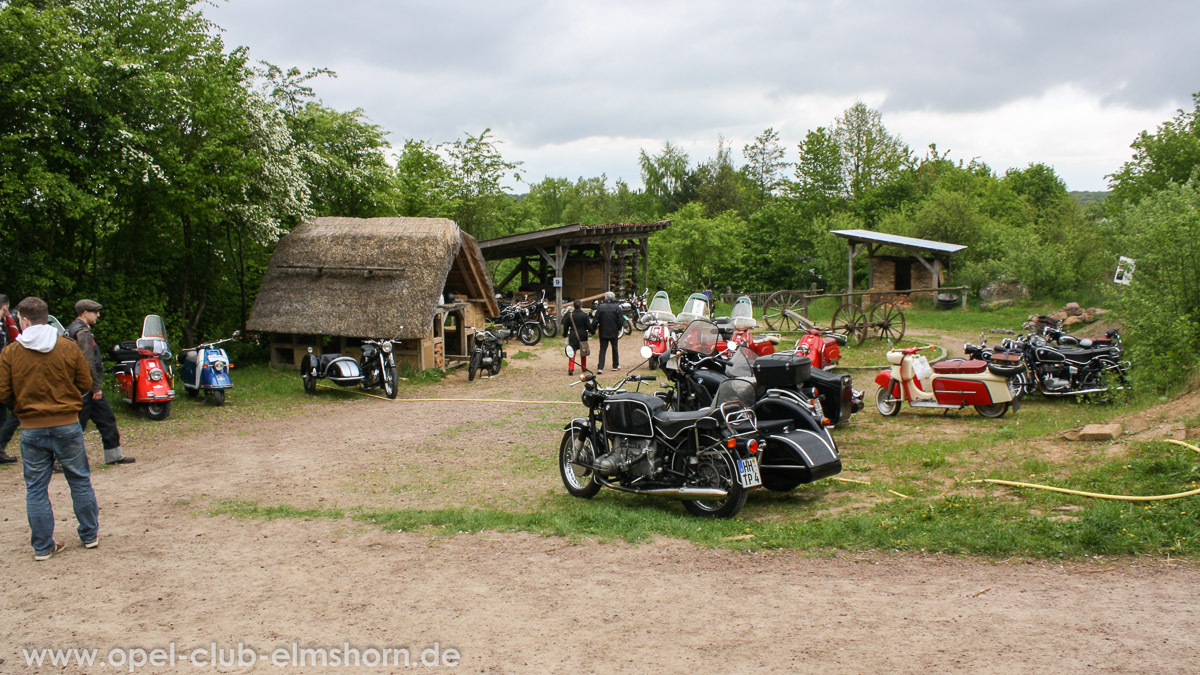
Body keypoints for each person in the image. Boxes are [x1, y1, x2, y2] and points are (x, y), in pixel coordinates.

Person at [0, 296, 98, 560]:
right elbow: (85, 382)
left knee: (36, 488)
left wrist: (23, 408)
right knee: (79, 480)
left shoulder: (10, 352)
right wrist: (67, 400)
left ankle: (43, 547)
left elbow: (4, 393)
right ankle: (90, 536)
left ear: (23, 319)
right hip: (67, 423)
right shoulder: (67, 347)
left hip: (31, 428)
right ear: (46, 317)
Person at [65, 299, 133, 465]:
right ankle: (62, 461)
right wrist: (95, 387)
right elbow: (88, 362)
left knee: (106, 418)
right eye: (95, 312)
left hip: (82, 385)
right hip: (85, 387)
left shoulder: (71, 329)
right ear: (84, 313)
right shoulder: (82, 333)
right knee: (76, 425)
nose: (98, 315)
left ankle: (114, 455)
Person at [0, 295, 18, 463]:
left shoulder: (3, 326)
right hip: (2, 377)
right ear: (5, 308)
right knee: (17, 410)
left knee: (3, 415)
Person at [593, 291, 624, 372]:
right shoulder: (617, 307)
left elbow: (596, 319)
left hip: (603, 331)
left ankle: (600, 367)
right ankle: (615, 365)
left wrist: (594, 328)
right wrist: (619, 328)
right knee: (615, 348)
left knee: (602, 349)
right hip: (614, 331)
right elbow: (620, 320)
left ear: (605, 298)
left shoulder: (600, 307)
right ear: (613, 298)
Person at [562, 299, 591, 376]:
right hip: (583, 335)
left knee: (572, 352)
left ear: (573, 306)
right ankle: (583, 367)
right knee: (583, 351)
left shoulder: (570, 315)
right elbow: (588, 326)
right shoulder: (585, 315)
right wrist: (592, 331)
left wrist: (564, 335)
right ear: (581, 306)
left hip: (573, 335)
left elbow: (566, 326)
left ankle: (571, 368)